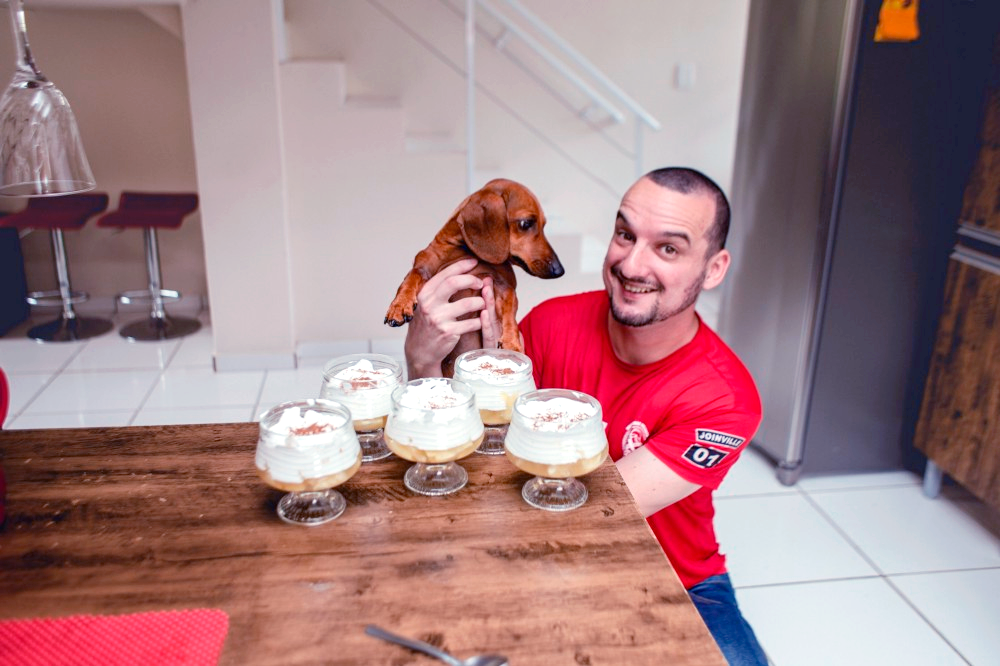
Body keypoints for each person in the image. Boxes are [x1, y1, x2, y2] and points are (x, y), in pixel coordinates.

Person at [404, 167, 767, 666]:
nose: (632, 264)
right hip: (536, 551)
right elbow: (470, 451)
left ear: (713, 268)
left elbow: (597, 510)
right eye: (625, 234)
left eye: (668, 248)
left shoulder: (724, 398)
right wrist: (425, 359)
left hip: (675, 577)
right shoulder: (550, 325)